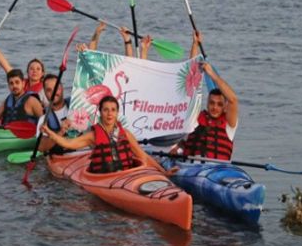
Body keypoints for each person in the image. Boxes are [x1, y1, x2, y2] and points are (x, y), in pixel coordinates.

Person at [41, 96, 177, 175]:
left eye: (113, 110)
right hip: (104, 178)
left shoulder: (126, 134)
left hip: (127, 175)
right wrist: (50, 133)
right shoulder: (93, 135)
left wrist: (163, 172)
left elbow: (143, 156)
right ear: (100, 112)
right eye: (105, 110)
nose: (109, 113)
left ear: (117, 113)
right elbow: (68, 144)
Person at [172, 31, 239, 160]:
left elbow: (233, 100)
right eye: (212, 103)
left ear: (225, 107)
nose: (214, 107)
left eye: (219, 104)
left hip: (216, 171)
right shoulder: (196, 118)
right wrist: (195, 45)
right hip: (191, 169)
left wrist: (211, 73)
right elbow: (190, 84)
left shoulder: (229, 125)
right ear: (207, 103)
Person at [36, 74, 72, 154]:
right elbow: (41, 147)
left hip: (85, 153)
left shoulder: (75, 105)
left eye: (56, 88)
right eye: (49, 90)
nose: (53, 93)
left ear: (62, 89)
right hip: (63, 158)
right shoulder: (44, 118)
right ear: (45, 93)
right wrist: (61, 132)